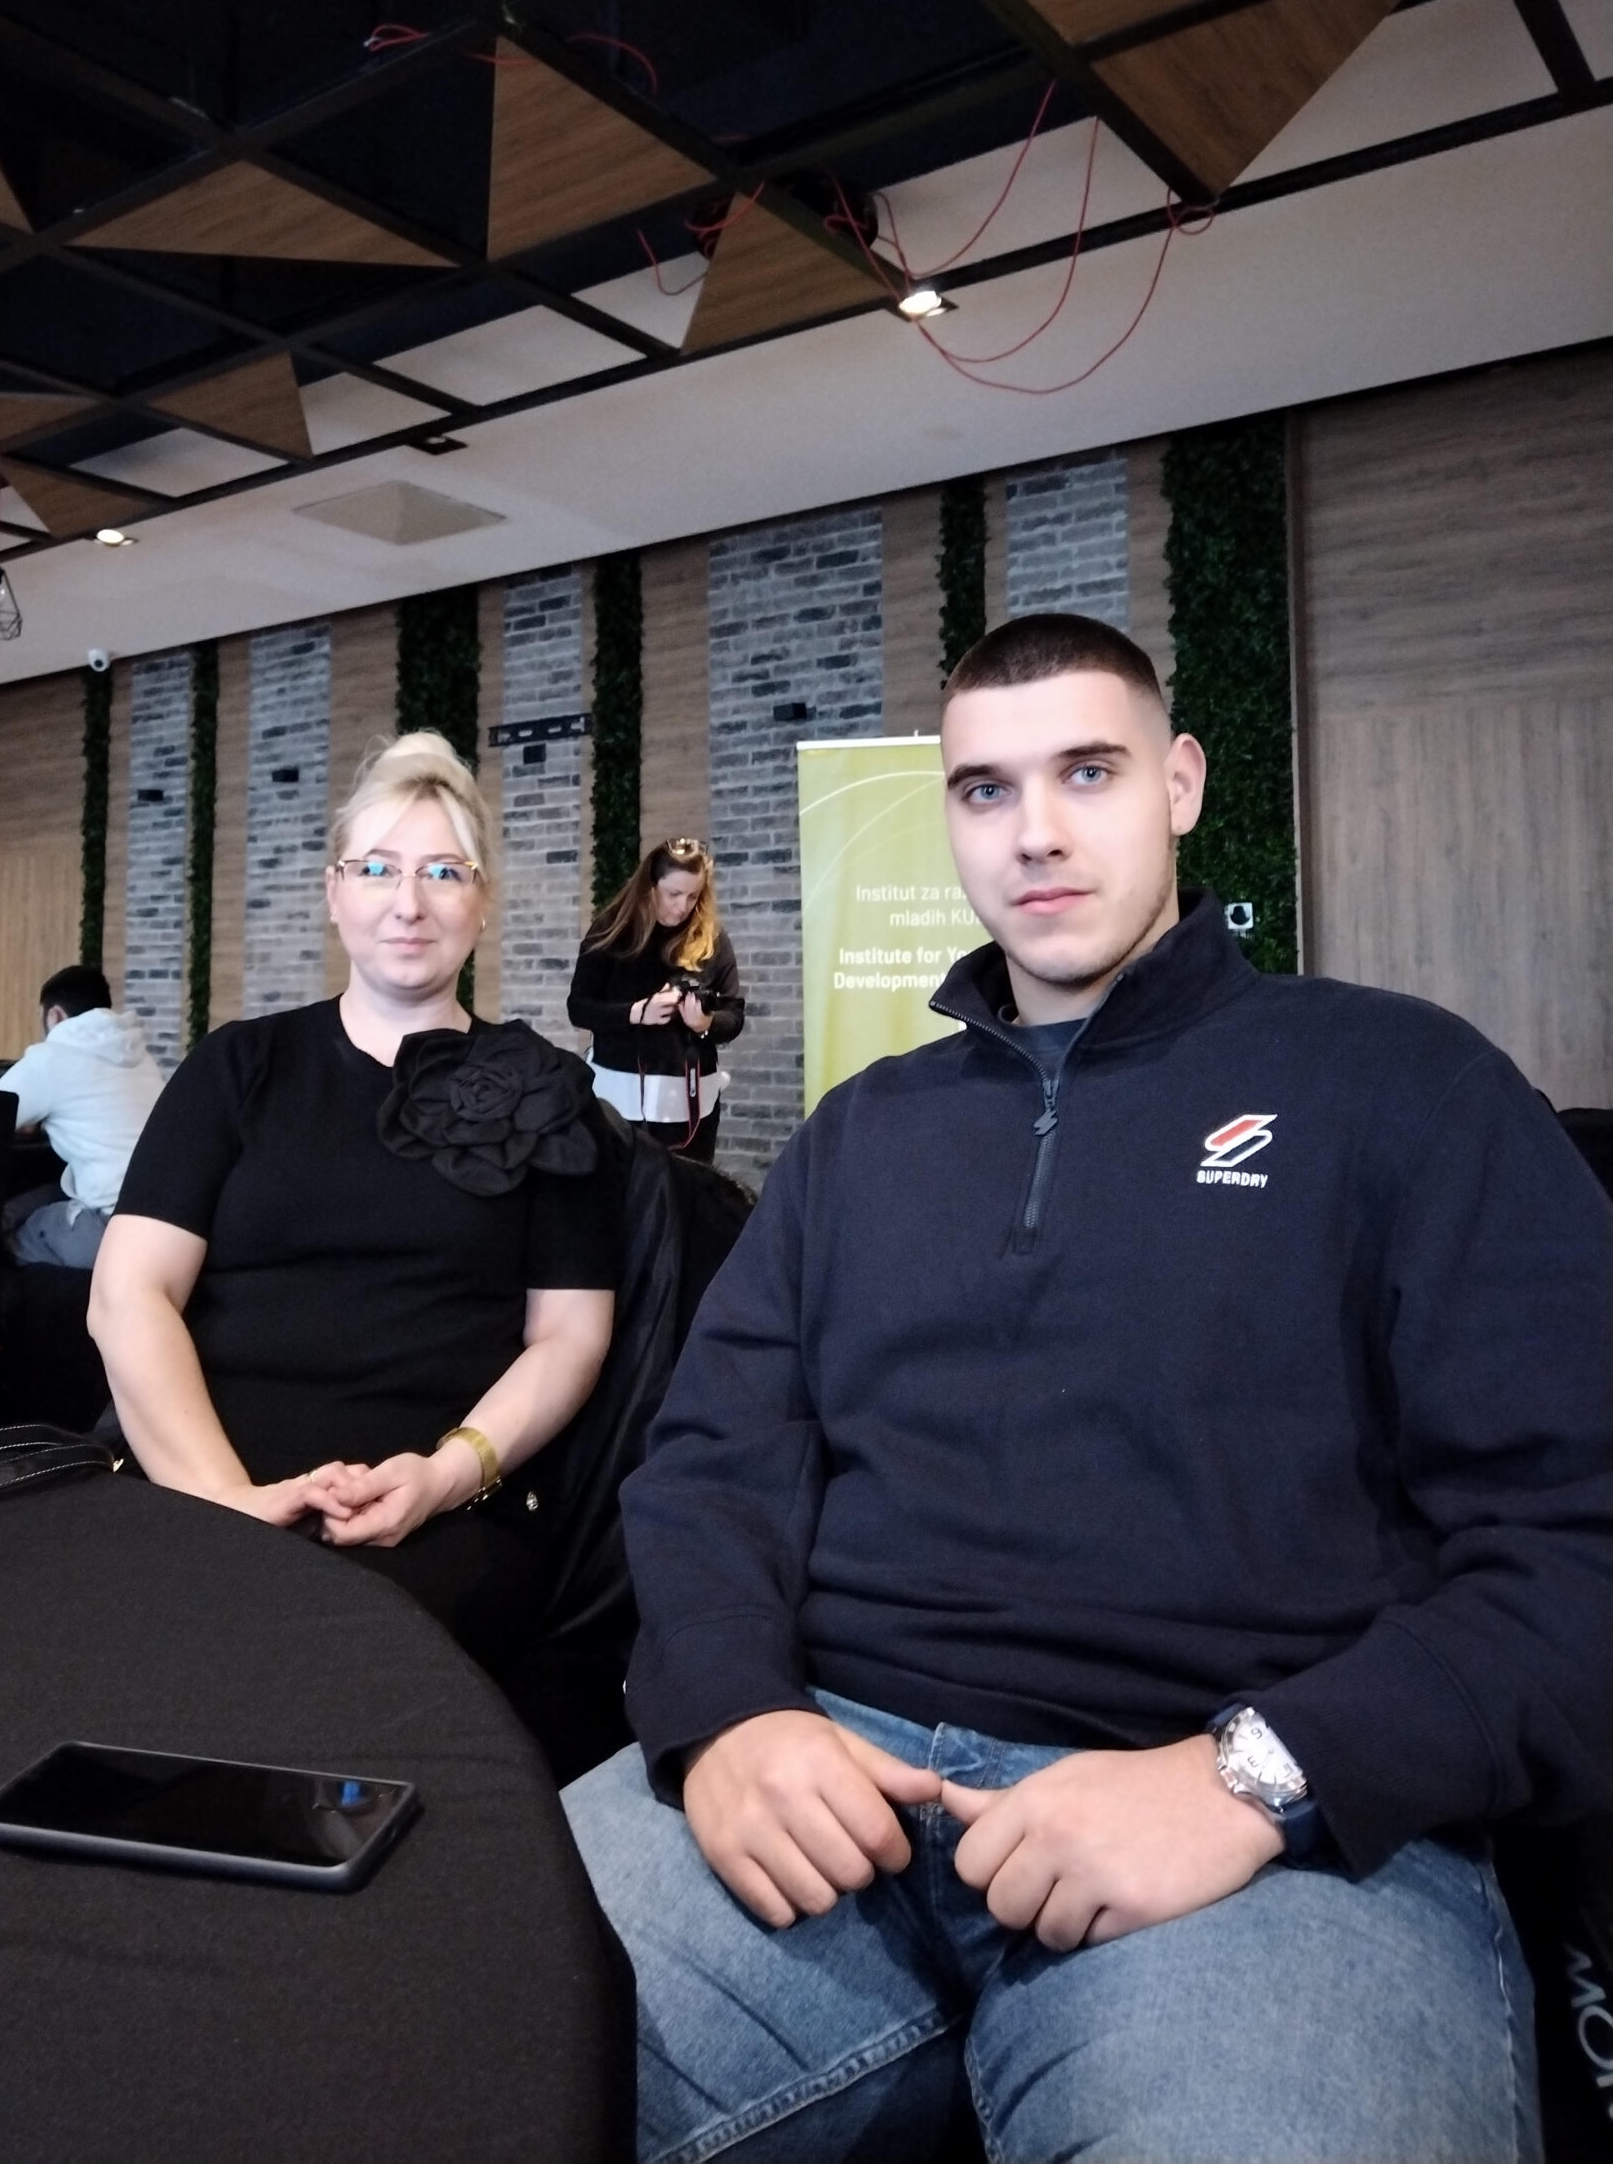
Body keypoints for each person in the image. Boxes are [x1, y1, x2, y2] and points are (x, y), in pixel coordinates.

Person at [564, 611, 1612, 2164]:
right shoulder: (863, 1134)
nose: (1036, 832)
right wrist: (725, 1712)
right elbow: (712, 1458)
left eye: (1089, 772)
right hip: (826, 1771)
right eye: (985, 790)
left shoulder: (1404, 1085)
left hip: (1262, 1826)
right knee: (391, 2045)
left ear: (1180, 783)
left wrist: (1256, 1778)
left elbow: (1577, 1539)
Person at [87, 731, 617, 1679]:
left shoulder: (548, 1097)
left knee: (324, 1669)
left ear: (482, 901)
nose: (408, 902)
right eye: (377, 868)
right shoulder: (238, 1067)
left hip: (437, 1513)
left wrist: (446, 1475)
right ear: (335, 893)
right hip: (195, 1484)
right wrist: (230, 1502)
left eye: (444, 872)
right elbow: (129, 1295)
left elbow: (569, 1339)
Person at [569, 838, 744, 1163]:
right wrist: (636, 1013)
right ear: (650, 886)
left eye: (693, 896)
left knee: (689, 1190)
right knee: (621, 1188)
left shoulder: (712, 940)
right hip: (619, 1101)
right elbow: (578, 1009)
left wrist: (705, 1024)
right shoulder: (611, 933)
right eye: (673, 894)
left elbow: (734, 1015)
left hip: (691, 1105)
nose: (683, 906)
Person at [0, 965, 164, 1269]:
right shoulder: (141, 1057)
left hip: (110, 1231)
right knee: (46, 1193)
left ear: (55, 1016)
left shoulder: (51, 1058)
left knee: (9, 1236)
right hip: (165, 1225)